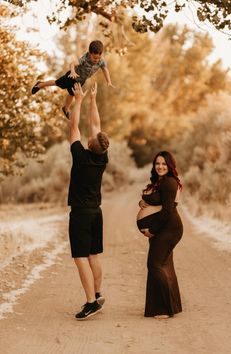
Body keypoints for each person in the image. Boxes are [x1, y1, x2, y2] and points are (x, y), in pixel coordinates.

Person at [68, 81, 109, 321]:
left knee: (80, 257)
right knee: (94, 255)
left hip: (81, 214)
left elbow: (74, 125)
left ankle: (91, 302)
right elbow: (96, 125)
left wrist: (80, 100)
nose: (91, 135)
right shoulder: (102, 158)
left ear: (91, 145)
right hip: (96, 212)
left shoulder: (81, 156)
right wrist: (93, 100)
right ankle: (98, 293)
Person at [136, 151, 183, 319]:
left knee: (154, 265)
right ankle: (163, 306)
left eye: (164, 164)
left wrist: (152, 230)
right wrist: (144, 202)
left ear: (169, 166)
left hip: (169, 229)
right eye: (158, 163)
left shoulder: (169, 182)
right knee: (165, 265)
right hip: (164, 228)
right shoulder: (159, 181)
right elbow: (155, 202)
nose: (160, 166)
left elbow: (167, 212)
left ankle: (165, 308)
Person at [31, 40, 115, 119]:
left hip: (81, 80)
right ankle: (40, 84)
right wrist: (73, 72)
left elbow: (105, 69)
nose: (96, 60)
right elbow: (72, 63)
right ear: (90, 54)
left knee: (72, 94)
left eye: (98, 58)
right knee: (57, 83)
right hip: (72, 77)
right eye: (94, 58)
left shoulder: (101, 61)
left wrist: (109, 81)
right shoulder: (85, 59)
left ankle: (66, 108)